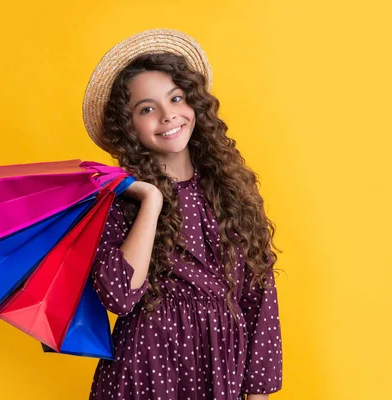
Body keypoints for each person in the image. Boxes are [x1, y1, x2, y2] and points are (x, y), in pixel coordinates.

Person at [82, 29, 283, 400]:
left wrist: (258, 393)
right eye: (146, 108)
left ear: (194, 104)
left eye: (176, 98)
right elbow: (118, 297)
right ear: (129, 128)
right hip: (147, 364)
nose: (167, 115)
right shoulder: (120, 200)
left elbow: (259, 296)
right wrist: (151, 201)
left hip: (222, 363)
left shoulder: (232, 190)